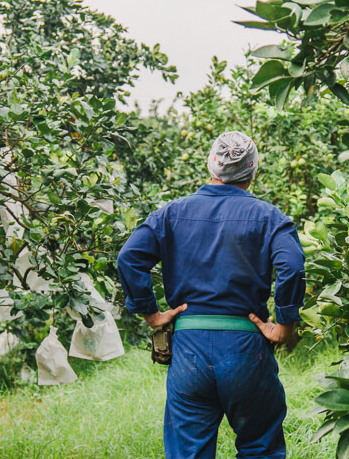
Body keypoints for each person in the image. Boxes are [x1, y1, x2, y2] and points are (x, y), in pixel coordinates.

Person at [117, 131, 306, 459]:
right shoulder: (271, 217)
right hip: (247, 350)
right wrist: (285, 326)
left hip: (189, 351)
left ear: (211, 166)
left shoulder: (170, 214)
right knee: (261, 448)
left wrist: (152, 313)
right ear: (253, 170)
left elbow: (129, 258)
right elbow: (292, 265)